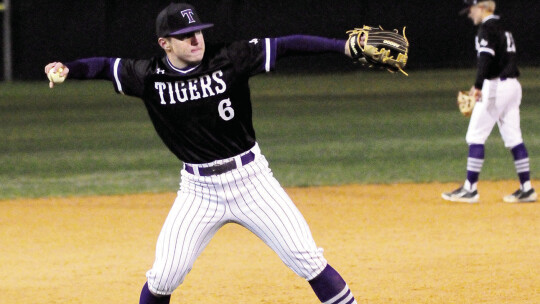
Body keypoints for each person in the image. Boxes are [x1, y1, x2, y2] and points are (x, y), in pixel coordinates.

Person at [45, 3, 363, 303]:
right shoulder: (149, 76)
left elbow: (287, 45)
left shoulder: (230, 57)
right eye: (185, 35)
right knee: (164, 277)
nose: (196, 38)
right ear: (165, 43)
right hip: (198, 191)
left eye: (198, 30)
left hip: (252, 181)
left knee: (306, 258)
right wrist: (67, 69)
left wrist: (342, 47)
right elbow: (103, 66)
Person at [442, 0, 536, 204]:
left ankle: (470, 189)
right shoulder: (504, 26)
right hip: (513, 86)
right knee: (514, 137)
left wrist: (477, 86)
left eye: (471, 9)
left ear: (483, 8)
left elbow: (485, 59)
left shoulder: (487, 28)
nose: (469, 14)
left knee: (475, 135)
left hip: (496, 86)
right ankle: (526, 188)